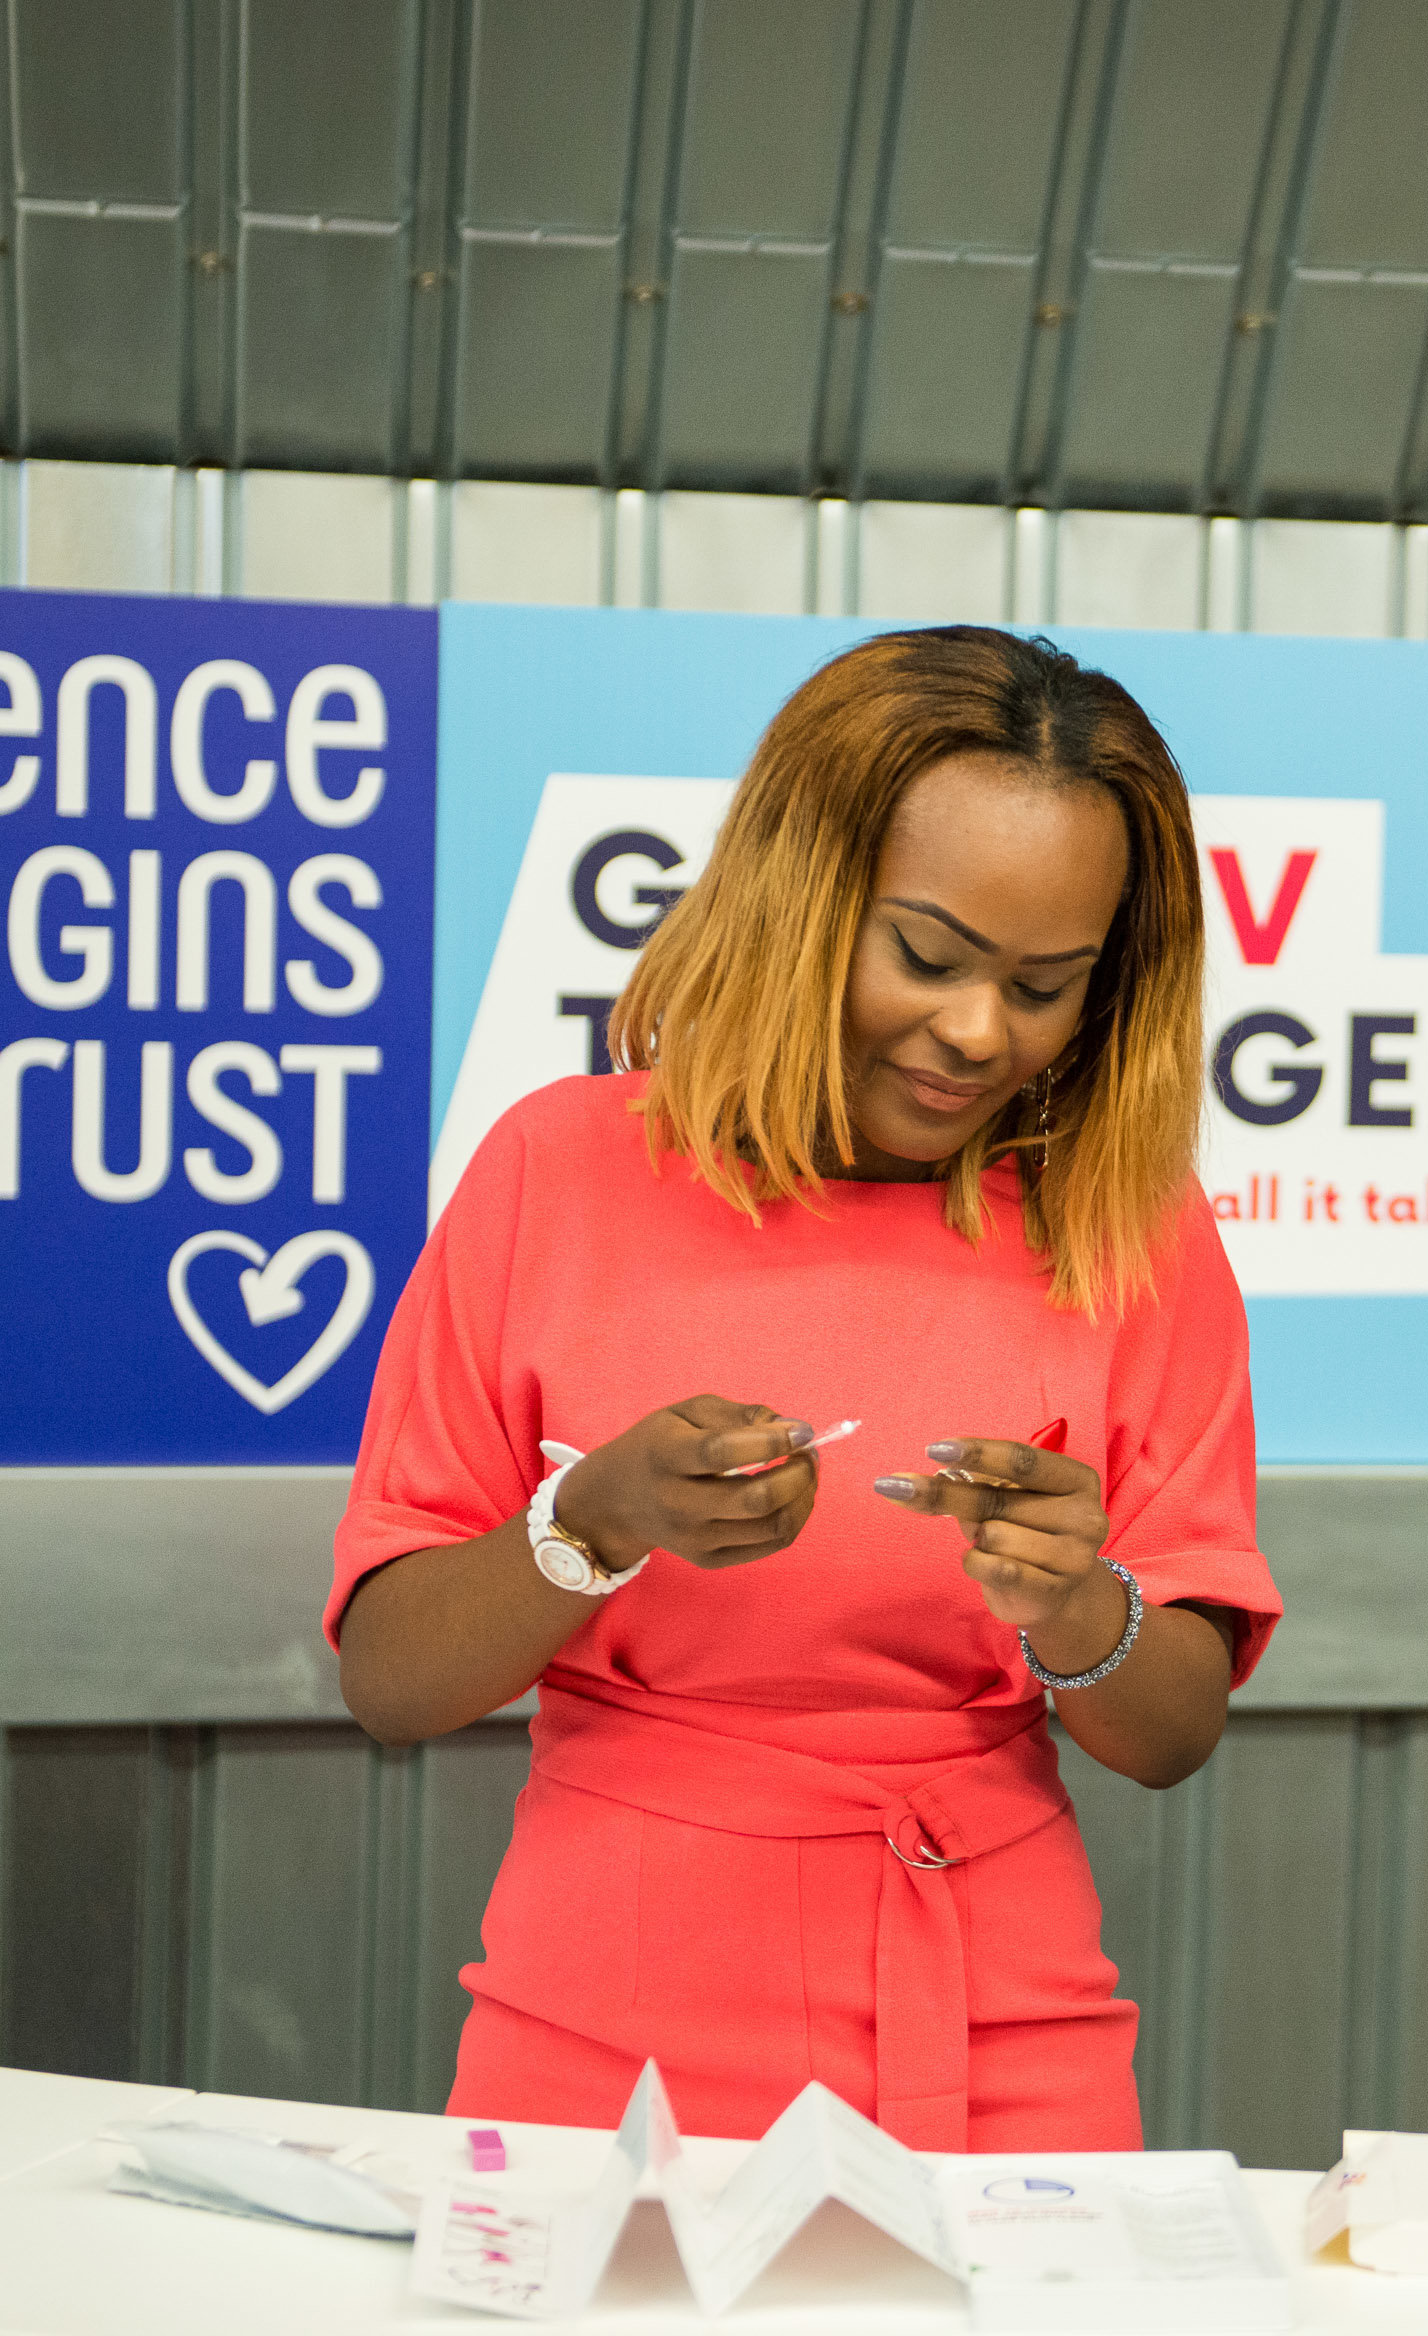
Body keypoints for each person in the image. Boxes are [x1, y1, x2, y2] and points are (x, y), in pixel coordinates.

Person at [329, 626, 1276, 2151]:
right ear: (798, 896)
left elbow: (1170, 1738)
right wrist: (594, 1517)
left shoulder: (1131, 1227)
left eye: (1048, 985)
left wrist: (1078, 1606)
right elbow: (391, 1679)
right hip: (601, 2038)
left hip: (1002, 2039)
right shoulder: (555, 1174)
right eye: (928, 954)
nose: (980, 1032)